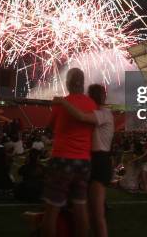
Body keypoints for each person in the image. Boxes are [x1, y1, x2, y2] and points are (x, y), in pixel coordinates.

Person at [53, 84, 114, 237]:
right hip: (95, 160)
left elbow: (80, 117)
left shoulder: (103, 113)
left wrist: (63, 102)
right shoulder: (101, 113)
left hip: (99, 161)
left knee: (97, 214)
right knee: (89, 212)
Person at [42, 68, 96, 237]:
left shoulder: (61, 103)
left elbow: (49, 127)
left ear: (68, 83)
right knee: (80, 206)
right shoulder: (91, 104)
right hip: (84, 162)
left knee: (52, 209)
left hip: (62, 159)